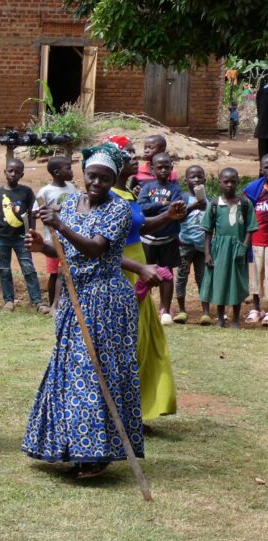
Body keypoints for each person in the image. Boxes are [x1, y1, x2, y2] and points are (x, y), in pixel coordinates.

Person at [22, 143, 144, 479]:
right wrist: (42, 245)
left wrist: (59, 226)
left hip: (105, 300)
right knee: (71, 370)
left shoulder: (119, 210)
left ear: (114, 179)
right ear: (84, 173)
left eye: (105, 178)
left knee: (97, 373)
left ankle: (97, 453)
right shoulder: (73, 205)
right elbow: (68, 254)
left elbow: (95, 250)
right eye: (92, 176)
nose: (97, 183)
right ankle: (69, 445)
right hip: (74, 297)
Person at [106, 135, 180, 422]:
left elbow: (140, 225)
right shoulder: (109, 197)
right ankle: (124, 410)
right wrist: (138, 269)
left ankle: (144, 407)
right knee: (131, 340)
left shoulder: (129, 193)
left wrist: (168, 217)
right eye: (130, 156)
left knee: (148, 341)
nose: (137, 161)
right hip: (124, 269)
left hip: (140, 266)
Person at [201, 168, 257, 328]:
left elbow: (250, 228)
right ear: (219, 183)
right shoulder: (214, 204)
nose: (230, 184)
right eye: (226, 181)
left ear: (238, 181)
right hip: (219, 249)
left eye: (233, 181)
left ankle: (235, 319)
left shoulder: (245, 204)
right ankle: (220, 318)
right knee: (220, 282)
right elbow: (207, 231)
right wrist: (207, 253)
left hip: (238, 249)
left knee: (236, 283)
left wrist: (244, 247)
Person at [0, 158, 47, 313]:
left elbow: (32, 214)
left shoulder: (27, 192)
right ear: (5, 172)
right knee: (4, 269)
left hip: (21, 238)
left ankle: (37, 302)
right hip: (1, 237)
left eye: (17, 172)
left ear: (22, 174)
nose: (13, 174)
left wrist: (32, 233)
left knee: (28, 268)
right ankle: (8, 301)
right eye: (10, 171)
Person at [137, 151, 184, 324]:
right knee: (145, 274)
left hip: (168, 240)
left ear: (171, 168)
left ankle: (165, 309)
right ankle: (144, 306)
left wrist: (159, 209)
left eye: (167, 167)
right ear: (152, 168)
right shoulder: (147, 187)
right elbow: (141, 207)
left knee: (167, 274)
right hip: (147, 239)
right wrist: (162, 205)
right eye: (160, 167)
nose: (163, 170)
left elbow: (176, 209)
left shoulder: (175, 188)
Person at [32, 156, 77, 308]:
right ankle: (53, 304)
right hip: (52, 239)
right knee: (54, 273)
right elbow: (35, 212)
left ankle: (67, 302)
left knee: (67, 271)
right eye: (68, 168)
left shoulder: (72, 188)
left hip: (70, 237)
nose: (71, 171)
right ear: (57, 172)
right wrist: (50, 210)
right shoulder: (45, 191)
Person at [173, 165, 211, 325]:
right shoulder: (182, 198)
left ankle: (206, 312)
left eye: (199, 177)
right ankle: (182, 310)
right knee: (182, 276)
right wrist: (193, 207)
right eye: (192, 177)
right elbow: (176, 219)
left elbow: (211, 222)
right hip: (184, 243)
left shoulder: (208, 199)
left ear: (205, 179)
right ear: (185, 180)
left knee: (202, 277)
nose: (196, 180)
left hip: (203, 246)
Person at [243, 154, 268, 325]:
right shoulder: (254, 188)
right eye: (266, 166)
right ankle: (256, 308)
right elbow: (244, 210)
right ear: (261, 169)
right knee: (256, 276)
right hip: (257, 240)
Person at [255, 83, 268, 159]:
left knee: (263, 159)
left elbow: (259, 110)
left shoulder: (262, 90)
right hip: (263, 128)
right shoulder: (262, 90)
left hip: (263, 128)